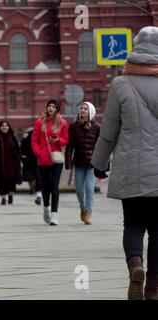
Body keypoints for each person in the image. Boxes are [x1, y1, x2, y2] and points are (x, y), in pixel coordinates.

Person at [92, 26, 158, 300]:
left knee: (132, 225)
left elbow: (109, 130)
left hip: (130, 169)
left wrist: (98, 163)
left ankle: (135, 266)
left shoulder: (121, 83)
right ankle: (153, 288)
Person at [31, 99, 69, 226]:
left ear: (57, 109)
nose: (50, 108)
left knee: (54, 187)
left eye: (53, 106)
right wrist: (39, 153)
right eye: (49, 106)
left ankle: (54, 215)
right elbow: (34, 141)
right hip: (43, 160)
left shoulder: (63, 123)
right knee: (45, 187)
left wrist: (58, 140)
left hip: (56, 160)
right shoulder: (39, 122)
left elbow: (66, 140)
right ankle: (46, 208)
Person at [65, 102, 100, 225]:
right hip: (79, 163)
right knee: (79, 190)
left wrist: (102, 163)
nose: (83, 110)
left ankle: (89, 213)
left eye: (85, 108)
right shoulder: (73, 126)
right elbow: (69, 146)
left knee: (89, 188)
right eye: (81, 108)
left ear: (90, 111)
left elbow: (100, 147)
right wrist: (68, 162)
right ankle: (83, 208)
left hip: (92, 163)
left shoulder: (96, 127)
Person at [0, 121, 22, 205]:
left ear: (9, 127)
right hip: (0, 165)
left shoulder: (13, 138)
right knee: (1, 182)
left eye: (6, 126)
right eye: (2, 126)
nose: (4, 127)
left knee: (11, 181)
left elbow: (18, 150)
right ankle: (3, 198)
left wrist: (19, 160)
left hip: (12, 164)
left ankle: (11, 195)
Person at [21, 127, 42, 205]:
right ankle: (34, 189)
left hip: (36, 159)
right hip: (32, 159)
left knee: (36, 177)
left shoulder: (44, 132)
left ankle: (38, 194)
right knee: (33, 177)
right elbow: (23, 146)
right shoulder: (29, 134)